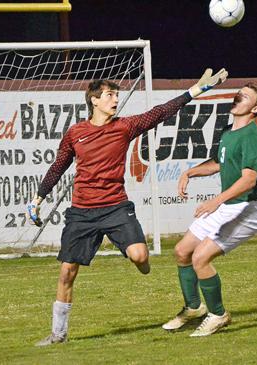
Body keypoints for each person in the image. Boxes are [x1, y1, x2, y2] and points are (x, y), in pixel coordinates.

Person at [27, 68, 228, 346]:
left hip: (116, 207)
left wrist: (196, 89)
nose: (115, 99)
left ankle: (141, 263)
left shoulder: (124, 126)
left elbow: (160, 112)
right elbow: (59, 165)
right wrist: (38, 197)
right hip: (82, 212)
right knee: (67, 271)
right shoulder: (76, 133)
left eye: (117, 95)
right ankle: (57, 334)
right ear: (94, 100)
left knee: (139, 256)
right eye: (110, 95)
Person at [162, 82, 257, 337]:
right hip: (228, 206)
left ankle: (218, 314)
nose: (238, 96)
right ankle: (193, 308)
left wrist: (216, 201)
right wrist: (190, 172)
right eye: (239, 93)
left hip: (247, 209)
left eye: (244, 96)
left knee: (200, 257)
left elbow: (249, 180)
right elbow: (218, 164)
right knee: (182, 251)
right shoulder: (229, 131)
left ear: (254, 108)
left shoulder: (252, 135)